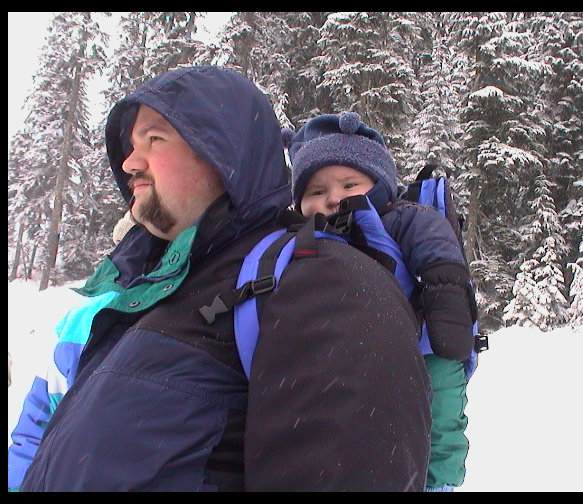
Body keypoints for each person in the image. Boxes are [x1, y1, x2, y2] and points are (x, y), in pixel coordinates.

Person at [8, 67, 432, 492]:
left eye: (155, 139)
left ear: (224, 154)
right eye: (131, 145)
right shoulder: (148, 297)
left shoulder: (322, 281)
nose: (130, 162)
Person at [283, 112, 475, 491]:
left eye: (349, 184)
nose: (333, 197)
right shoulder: (299, 239)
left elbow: (437, 249)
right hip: (353, 355)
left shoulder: (401, 218)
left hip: (426, 346)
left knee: (441, 417)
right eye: (317, 191)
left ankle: (439, 483)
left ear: (380, 184)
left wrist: (447, 298)